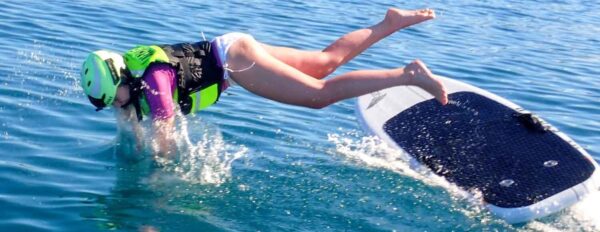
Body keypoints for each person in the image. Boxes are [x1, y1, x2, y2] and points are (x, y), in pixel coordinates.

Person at [80, 8, 448, 157]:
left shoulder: (155, 81)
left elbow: (165, 134)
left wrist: (161, 175)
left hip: (234, 62)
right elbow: (131, 123)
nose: (115, 104)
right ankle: (389, 23)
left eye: (113, 97)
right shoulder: (130, 82)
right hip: (231, 48)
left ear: (121, 78)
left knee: (318, 96)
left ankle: (407, 75)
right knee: (323, 64)